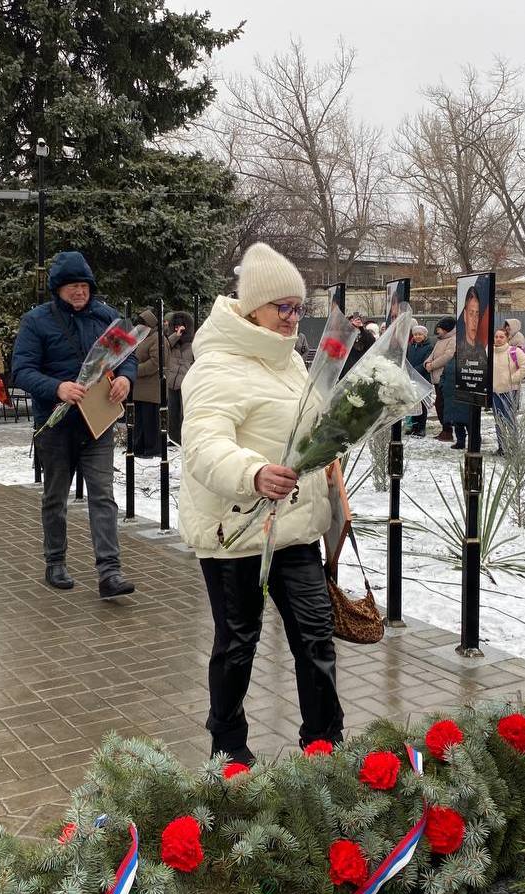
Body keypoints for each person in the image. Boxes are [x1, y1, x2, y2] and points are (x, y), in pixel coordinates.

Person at [179, 242, 343, 765]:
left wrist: (332, 459)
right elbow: (203, 443)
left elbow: (307, 431)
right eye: (283, 308)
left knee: (316, 639)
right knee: (238, 644)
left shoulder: (292, 361)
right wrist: (251, 473)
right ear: (253, 308)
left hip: (294, 528)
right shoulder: (217, 366)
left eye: (299, 308)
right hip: (236, 530)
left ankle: (325, 746)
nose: (293, 319)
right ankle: (228, 748)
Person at [10, 250, 137, 599]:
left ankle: (109, 572)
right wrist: (56, 388)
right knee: (55, 497)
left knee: (103, 496)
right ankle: (55, 562)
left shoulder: (106, 317)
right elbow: (21, 370)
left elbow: (127, 358)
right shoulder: (37, 321)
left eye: (83, 285)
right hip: (56, 425)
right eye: (71, 287)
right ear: (58, 289)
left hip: (97, 424)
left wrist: (126, 378)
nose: (79, 292)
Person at [491, 327, 525, 456]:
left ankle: (513, 447)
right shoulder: (490, 351)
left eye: (501, 337)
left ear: (507, 338)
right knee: (498, 421)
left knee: (510, 420)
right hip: (495, 392)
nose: (498, 339)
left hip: (510, 391)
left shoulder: (514, 351)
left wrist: (512, 379)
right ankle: (501, 447)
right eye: (496, 337)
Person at [132, 309, 162, 458]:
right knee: (140, 420)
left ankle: (152, 449)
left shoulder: (156, 338)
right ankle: (139, 447)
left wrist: (135, 370)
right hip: (140, 386)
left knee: (150, 420)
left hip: (150, 387)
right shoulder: (142, 338)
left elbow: (156, 362)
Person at [424, 316, 456, 442]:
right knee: (439, 404)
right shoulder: (440, 340)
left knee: (443, 405)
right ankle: (445, 429)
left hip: (445, 377)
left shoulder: (453, 340)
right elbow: (432, 354)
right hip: (436, 377)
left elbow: (448, 356)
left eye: (440, 328)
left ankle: (448, 430)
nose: (438, 331)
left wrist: (432, 365)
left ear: (446, 329)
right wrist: (427, 362)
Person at [165, 311, 196, 445]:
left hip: (186, 382)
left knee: (185, 413)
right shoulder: (170, 340)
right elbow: (164, 348)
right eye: (176, 326)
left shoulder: (194, 342)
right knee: (172, 412)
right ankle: (173, 438)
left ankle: (185, 439)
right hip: (172, 381)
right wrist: (175, 336)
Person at [405, 325, 432, 436]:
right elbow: (406, 359)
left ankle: (421, 428)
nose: (417, 336)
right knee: (413, 404)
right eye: (415, 334)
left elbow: (426, 362)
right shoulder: (411, 346)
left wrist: (414, 371)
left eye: (420, 334)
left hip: (422, 378)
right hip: (411, 378)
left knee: (422, 404)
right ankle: (414, 426)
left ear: (424, 335)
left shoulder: (429, 347)